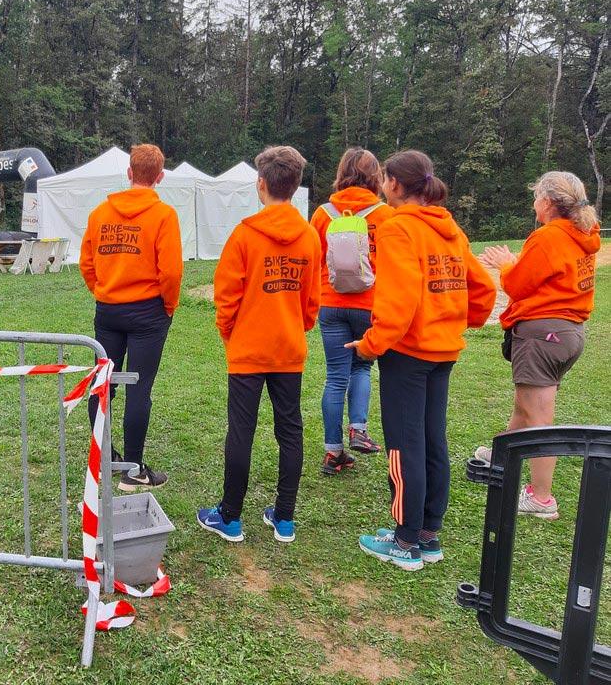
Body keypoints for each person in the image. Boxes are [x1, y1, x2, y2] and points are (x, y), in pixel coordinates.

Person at [346, 150, 496, 571]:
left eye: (384, 180)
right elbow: (482, 287)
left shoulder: (399, 230)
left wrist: (370, 345)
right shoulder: (449, 228)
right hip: (441, 349)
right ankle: (429, 532)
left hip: (407, 354)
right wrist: (453, 320)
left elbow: (399, 302)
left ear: (394, 184)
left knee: (403, 443)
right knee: (432, 439)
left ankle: (406, 540)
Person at [197, 145, 321, 544]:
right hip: (288, 348)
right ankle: (284, 518)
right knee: (290, 430)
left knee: (241, 432)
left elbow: (226, 295)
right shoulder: (308, 237)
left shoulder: (245, 235)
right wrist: (296, 325)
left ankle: (230, 516)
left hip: (248, 350)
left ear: (261, 184)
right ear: (296, 185)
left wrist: (230, 333)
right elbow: (311, 297)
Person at [475, 171, 600, 519]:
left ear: (547, 203)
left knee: (540, 419)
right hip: (568, 333)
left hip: (543, 335)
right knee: (525, 404)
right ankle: (503, 451)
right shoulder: (582, 234)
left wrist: (505, 264)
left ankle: (541, 498)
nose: (534, 204)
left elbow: (517, 284)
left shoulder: (547, 237)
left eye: (535, 198)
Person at [80, 143, 183, 492]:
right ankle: (133, 470)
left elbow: (87, 262)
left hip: (108, 310)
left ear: (129, 173)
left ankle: (106, 456)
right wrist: (168, 305)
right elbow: (170, 271)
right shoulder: (164, 215)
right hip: (147, 312)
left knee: (103, 386)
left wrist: (102, 290)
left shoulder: (99, 214)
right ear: (160, 176)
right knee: (139, 389)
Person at [310, 148, 394, 474]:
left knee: (334, 378)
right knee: (361, 369)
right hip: (368, 305)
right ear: (375, 177)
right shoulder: (385, 215)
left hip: (331, 304)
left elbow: (315, 259)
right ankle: (358, 427)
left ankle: (333, 453)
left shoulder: (322, 214)